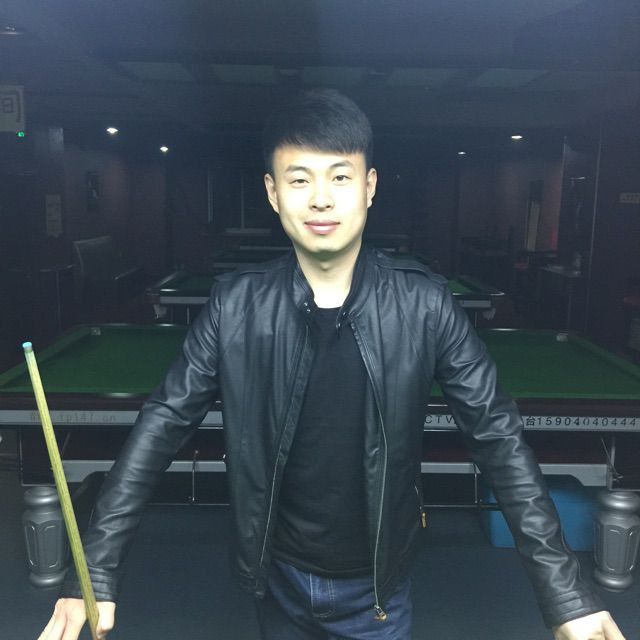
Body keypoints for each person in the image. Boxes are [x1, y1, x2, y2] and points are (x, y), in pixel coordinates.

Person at [38, 89, 625, 640]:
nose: (321, 198)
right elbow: (160, 427)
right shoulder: (235, 305)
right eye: (300, 179)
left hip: (379, 587)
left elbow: (499, 440)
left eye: (340, 176)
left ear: (369, 186)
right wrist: (94, 571)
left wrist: (568, 595)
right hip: (275, 576)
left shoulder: (425, 305)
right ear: (273, 193)